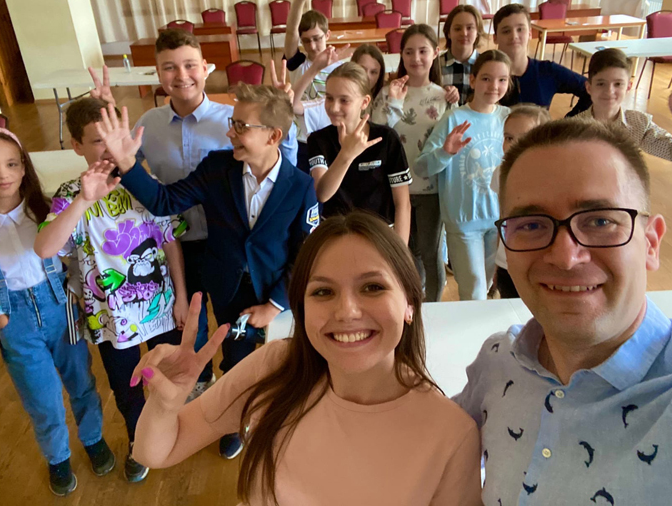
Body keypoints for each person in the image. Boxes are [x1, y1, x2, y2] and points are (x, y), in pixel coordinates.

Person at [129, 212, 482, 506]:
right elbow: (156, 452)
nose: (346, 311)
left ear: (410, 304)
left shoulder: (451, 436)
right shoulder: (274, 367)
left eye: (373, 287)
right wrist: (165, 405)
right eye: (323, 291)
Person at [455, 118, 672, 505]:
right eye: (531, 225)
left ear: (651, 243)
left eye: (600, 221)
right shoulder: (497, 361)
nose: (565, 257)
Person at [92, 84, 318, 461]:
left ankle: (280, 418)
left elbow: (306, 253)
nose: (230, 132)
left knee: (284, 360)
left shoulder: (301, 186)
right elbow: (164, 201)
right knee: (235, 359)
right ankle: (235, 421)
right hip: (227, 289)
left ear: (273, 136)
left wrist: (276, 304)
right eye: (232, 122)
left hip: (277, 294)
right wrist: (128, 165)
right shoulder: (217, 167)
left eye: (241, 125)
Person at [0, 126, 109, 497]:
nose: (2, 174)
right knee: (42, 399)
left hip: (60, 309)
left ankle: (93, 438)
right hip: (15, 321)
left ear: (23, 168)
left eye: (11, 164)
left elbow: (75, 255)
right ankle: (58, 458)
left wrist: (77, 293)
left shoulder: (48, 210)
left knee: (82, 382)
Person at [35, 97, 188, 483]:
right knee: (127, 387)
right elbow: (46, 248)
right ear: (76, 146)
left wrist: (182, 297)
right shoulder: (71, 193)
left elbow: (170, 240)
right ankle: (141, 442)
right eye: (96, 141)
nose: (108, 150)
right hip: (110, 318)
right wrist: (84, 200)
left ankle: (176, 431)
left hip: (161, 305)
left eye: (113, 139)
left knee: (170, 375)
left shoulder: (144, 184)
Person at [415, 50, 512, 300]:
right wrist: (445, 152)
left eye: (502, 80)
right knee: (475, 289)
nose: (494, 86)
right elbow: (422, 167)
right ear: (473, 80)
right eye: (486, 78)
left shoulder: (508, 117)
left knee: (486, 285)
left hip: (498, 219)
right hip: (463, 221)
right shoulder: (454, 118)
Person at [372, 24, 448, 301]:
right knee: (405, 252)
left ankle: (434, 306)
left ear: (435, 53)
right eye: (409, 52)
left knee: (430, 252)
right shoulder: (388, 92)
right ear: (401, 54)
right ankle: (415, 299)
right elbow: (376, 133)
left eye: (423, 51)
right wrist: (392, 102)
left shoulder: (443, 96)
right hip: (394, 188)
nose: (416, 58)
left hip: (430, 189)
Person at [307, 62, 412, 244]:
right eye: (329, 98)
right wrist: (346, 155)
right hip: (336, 237)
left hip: (379, 236)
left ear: (364, 102)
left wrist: (400, 251)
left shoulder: (386, 138)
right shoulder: (318, 140)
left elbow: (402, 204)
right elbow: (322, 193)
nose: (334, 107)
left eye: (344, 100)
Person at [572, 47, 672, 163]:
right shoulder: (573, 129)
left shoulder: (638, 124)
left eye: (618, 84)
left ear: (628, 87)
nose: (609, 91)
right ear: (589, 87)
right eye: (601, 83)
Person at [283, 0, 346, 171]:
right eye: (306, 40)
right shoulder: (298, 63)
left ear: (327, 35)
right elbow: (291, 31)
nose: (312, 45)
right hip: (302, 139)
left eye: (317, 38)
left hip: (332, 135)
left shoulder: (340, 66)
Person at [490, 106, 551, 299]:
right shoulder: (500, 173)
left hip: (540, 263)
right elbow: (502, 217)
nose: (514, 145)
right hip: (508, 263)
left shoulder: (553, 177)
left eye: (524, 138)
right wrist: (497, 261)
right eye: (509, 138)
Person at [493, 3, 591, 112]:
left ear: (530, 34)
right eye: (506, 31)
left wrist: (568, 120)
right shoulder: (485, 73)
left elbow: (591, 90)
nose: (514, 36)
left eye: (520, 29)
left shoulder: (547, 71)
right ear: (495, 38)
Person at [438, 5, 486, 106]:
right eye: (457, 29)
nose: (464, 33)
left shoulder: (486, 65)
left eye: (469, 28)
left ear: (477, 32)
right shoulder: (435, 65)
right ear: (448, 33)